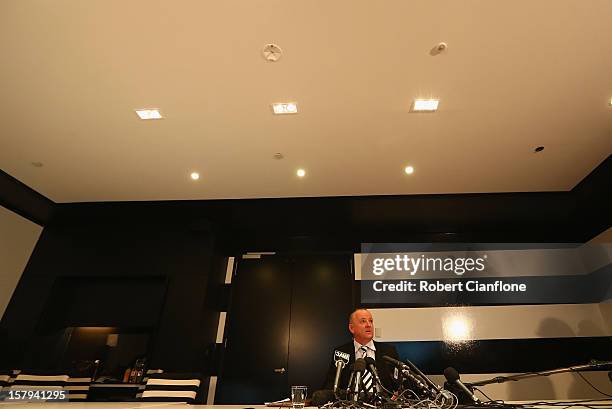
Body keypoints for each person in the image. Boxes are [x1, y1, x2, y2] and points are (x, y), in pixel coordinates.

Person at [322, 308, 400, 393]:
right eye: (363, 321)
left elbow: (399, 384)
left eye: (370, 321)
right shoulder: (341, 353)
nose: (368, 325)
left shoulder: (389, 351)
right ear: (352, 328)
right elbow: (330, 385)